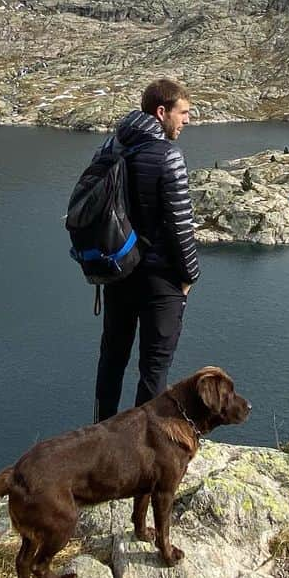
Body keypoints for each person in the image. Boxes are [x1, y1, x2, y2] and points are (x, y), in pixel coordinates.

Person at [93, 77, 200, 420]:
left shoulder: (113, 147)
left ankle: (99, 434)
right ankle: (141, 446)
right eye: (183, 112)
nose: (187, 120)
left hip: (118, 271)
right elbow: (180, 227)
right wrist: (189, 278)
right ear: (161, 112)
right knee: (154, 367)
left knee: (112, 358)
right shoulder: (169, 155)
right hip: (160, 279)